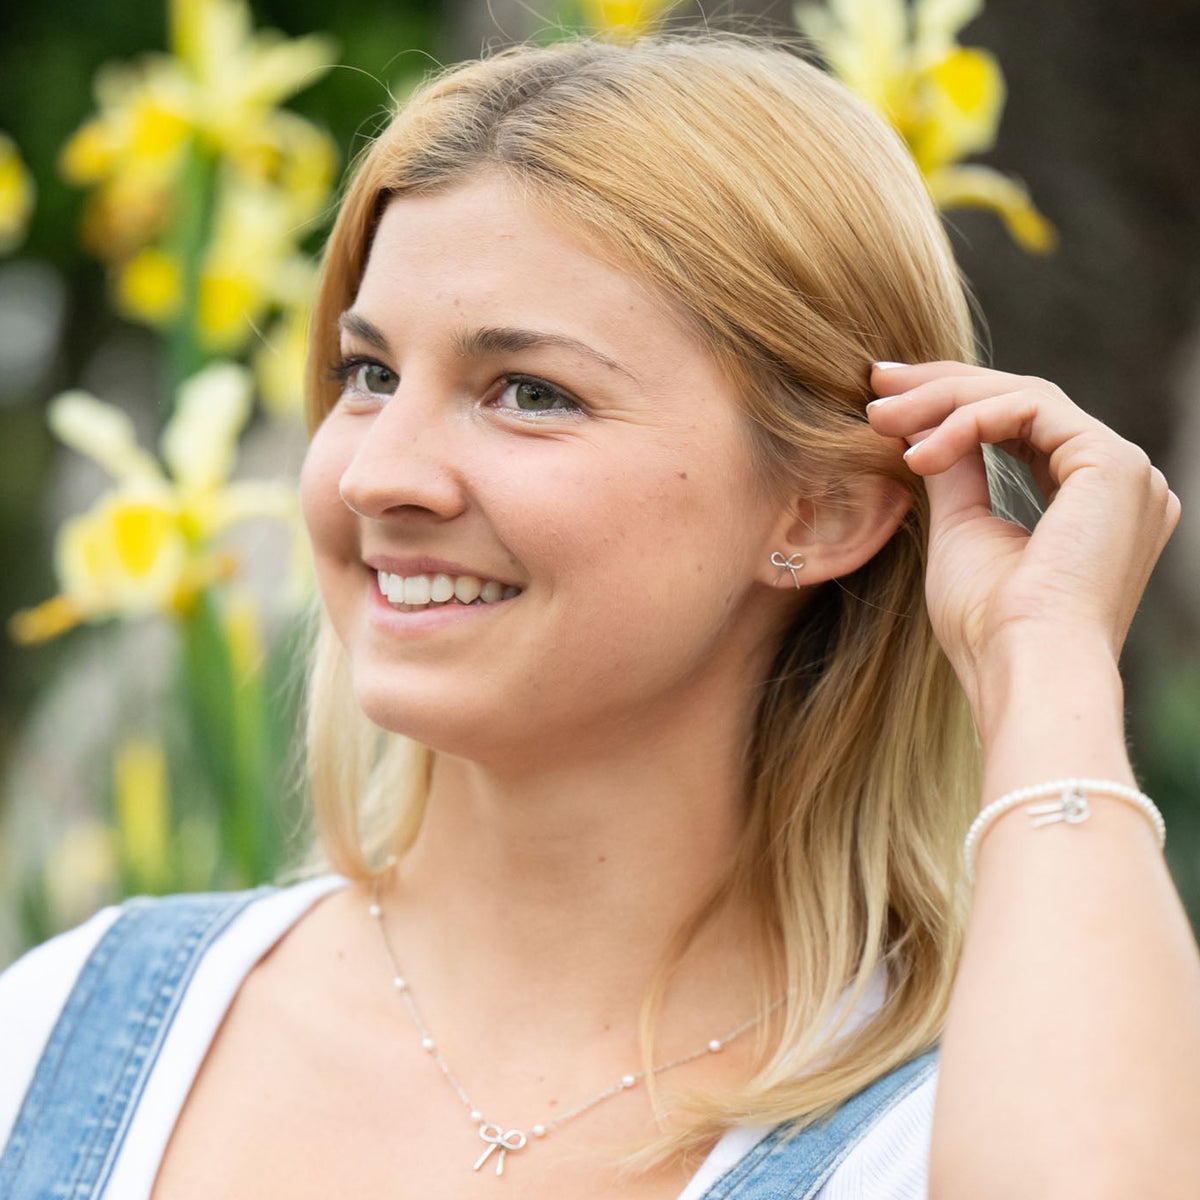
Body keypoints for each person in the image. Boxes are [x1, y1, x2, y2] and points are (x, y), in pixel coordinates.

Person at [2, 30, 1198, 1200]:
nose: (376, 475)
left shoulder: (951, 1128)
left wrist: (1044, 662)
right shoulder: (69, 1033)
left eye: (530, 392)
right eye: (369, 374)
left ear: (825, 509)